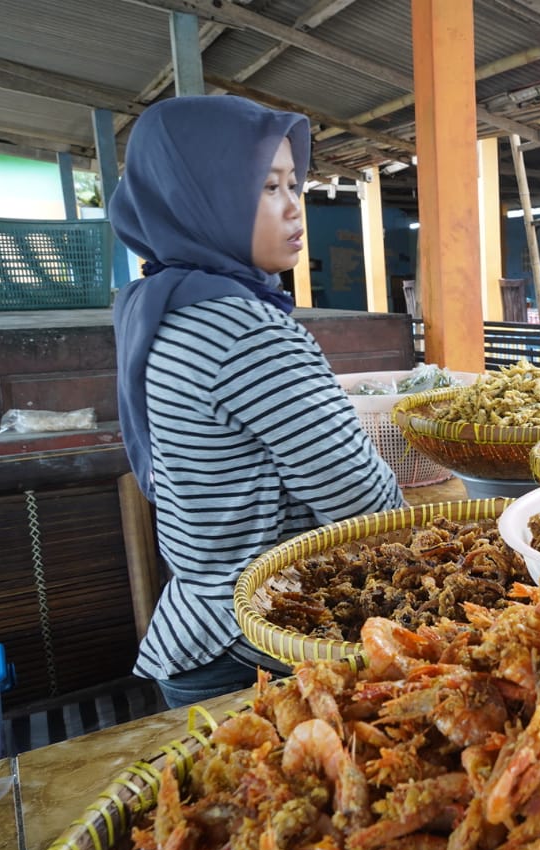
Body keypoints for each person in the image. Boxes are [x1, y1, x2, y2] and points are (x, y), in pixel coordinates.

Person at [110, 95, 404, 708]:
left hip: (199, 615)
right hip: (246, 645)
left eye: (294, 183)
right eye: (267, 188)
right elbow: (367, 504)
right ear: (202, 199)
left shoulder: (164, 305)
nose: (296, 207)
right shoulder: (243, 330)